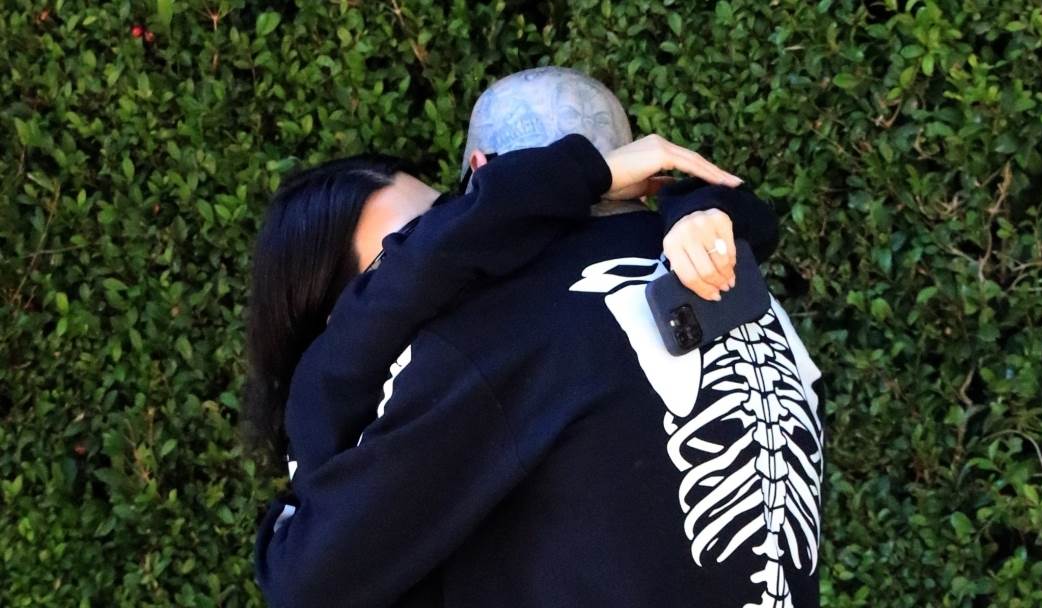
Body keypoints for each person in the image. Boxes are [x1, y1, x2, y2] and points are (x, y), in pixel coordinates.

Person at [251, 67, 823, 608]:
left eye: (442, 223)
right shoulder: (737, 284)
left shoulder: (490, 336)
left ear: (480, 178)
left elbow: (308, 579)